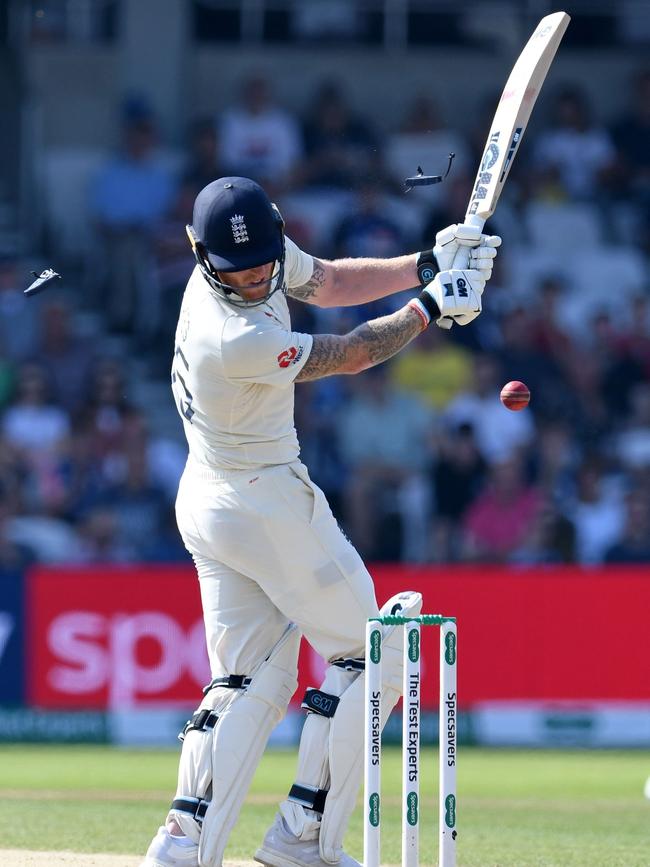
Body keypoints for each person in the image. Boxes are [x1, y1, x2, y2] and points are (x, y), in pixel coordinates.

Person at [140, 176, 501, 867]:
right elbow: (353, 353)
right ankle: (302, 832)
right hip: (264, 497)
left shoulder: (246, 256)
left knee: (250, 680)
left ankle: (182, 842)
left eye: (260, 270)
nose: (251, 284)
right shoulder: (234, 335)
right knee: (378, 652)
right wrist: (431, 306)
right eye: (234, 275)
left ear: (276, 230)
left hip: (211, 498)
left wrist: (425, 264)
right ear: (196, 252)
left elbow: (328, 280)